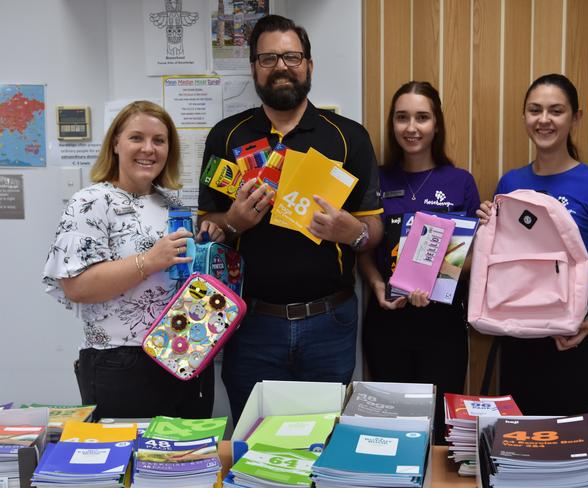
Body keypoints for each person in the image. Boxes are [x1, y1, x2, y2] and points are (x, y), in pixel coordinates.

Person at [198, 14, 383, 423]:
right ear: (253, 69)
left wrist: (351, 232)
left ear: (309, 65)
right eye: (268, 58)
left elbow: (373, 230)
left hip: (329, 322)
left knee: (322, 442)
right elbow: (206, 226)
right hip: (249, 322)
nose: (281, 66)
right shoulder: (227, 136)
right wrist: (233, 222)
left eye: (291, 56)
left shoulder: (349, 136)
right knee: (251, 445)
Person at [43, 100, 224, 420]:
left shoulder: (173, 204)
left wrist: (206, 250)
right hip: (121, 363)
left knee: (185, 463)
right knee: (126, 464)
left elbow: (179, 278)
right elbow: (76, 286)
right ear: (115, 143)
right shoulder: (91, 202)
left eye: (159, 140)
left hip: (185, 353)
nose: (148, 149)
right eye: (136, 138)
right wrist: (150, 260)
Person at [477, 74, 588, 415]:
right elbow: (501, 259)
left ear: (576, 117)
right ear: (523, 117)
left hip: (572, 331)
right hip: (517, 324)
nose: (543, 119)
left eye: (555, 111)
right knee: (518, 435)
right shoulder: (510, 182)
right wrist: (486, 224)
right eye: (535, 110)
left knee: (572, 437)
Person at [359, 81, 480, 444]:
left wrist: (439, 274)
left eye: (422, 117)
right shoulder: (376, 178)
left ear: (436, 124)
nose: (411, 128)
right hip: (387, 319)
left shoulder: (460, 182)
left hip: (443, 326)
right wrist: (377, 285)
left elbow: (475, 257)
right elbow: (363, 249)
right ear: (392, 124)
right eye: (402, 117)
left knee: (441, 434)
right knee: (390, 429)